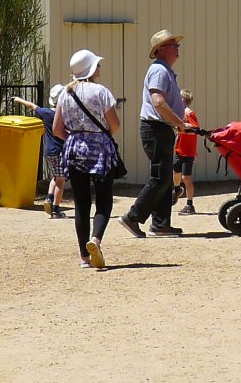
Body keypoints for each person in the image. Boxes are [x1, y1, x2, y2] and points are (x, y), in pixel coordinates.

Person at [50, 50, 121, 269]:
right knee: (104, 199)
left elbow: (57, 129)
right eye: (97, 65)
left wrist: (75, 138)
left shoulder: (65, 93)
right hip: (99, 148)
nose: (100, 68)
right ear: (91, 69)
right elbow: (115, 125)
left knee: (81, 203)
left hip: (74, 149)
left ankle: (84, 257)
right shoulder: (101, 92)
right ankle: (96, 239)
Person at [118, 30, 192, 238]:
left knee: (165, 177)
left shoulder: (164, 70)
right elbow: (158, 102)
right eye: (171, 44)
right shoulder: (160, 71)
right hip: (156, 128)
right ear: (160, 50)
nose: (177, 47)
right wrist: (180, 123)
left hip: (161, 129)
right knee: (160, 177)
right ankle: (132, 217)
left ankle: (160, 225)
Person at [11, 85, 69, 218]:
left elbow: (32, 106)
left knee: (55, 176)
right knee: (61, 180)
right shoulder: (65, 115)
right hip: (61, 151)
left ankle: (49, 198)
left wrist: (19, 100)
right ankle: (55, 209)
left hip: (49, 151)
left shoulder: (46, 113)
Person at [175, 90, 201, 216]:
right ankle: (176, 190)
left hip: (188, 151)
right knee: (175, 172)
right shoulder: (177, 113)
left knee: (186, 178)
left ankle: (190, 204)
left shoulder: (189, 113)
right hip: (178, 148)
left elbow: (196, 129)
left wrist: (182, 129)